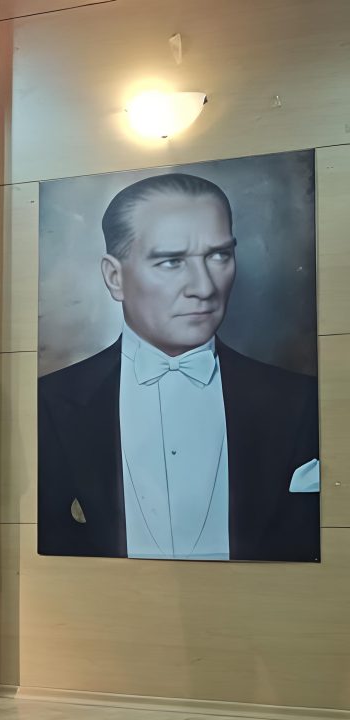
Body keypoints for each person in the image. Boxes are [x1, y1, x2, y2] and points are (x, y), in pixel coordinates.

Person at [38, 173, 320, 561]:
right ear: (114, 277)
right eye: (171, 261)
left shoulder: (300, 401)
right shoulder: (49, 402)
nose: (204, 287)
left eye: (219, 255)